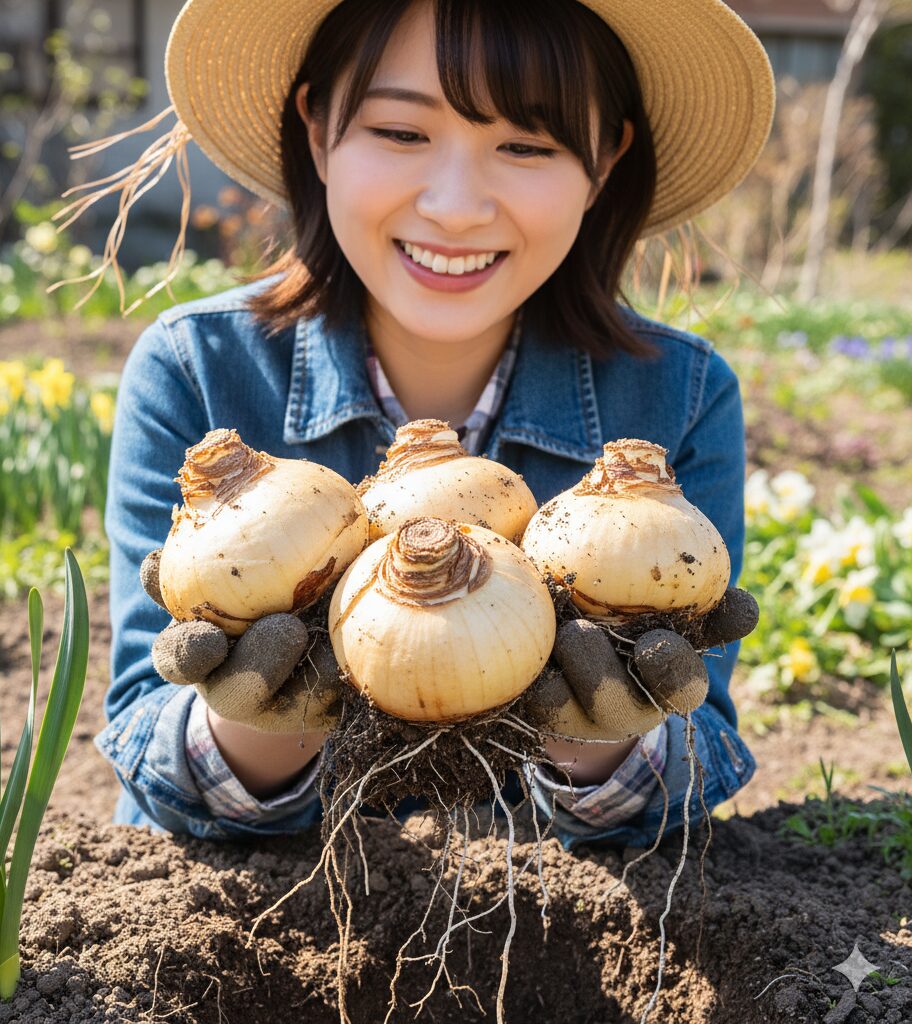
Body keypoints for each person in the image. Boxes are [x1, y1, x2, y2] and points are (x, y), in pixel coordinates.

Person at [73, 0, 776, 848]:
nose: (453, 206)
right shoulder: (198, 370)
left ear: (604, 164)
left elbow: (696, 766)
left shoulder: (679, 395)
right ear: (319, 130)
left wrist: (601, 733)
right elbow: (151, 762)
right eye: (402, 133)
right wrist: (263, 714)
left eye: (526, 146)